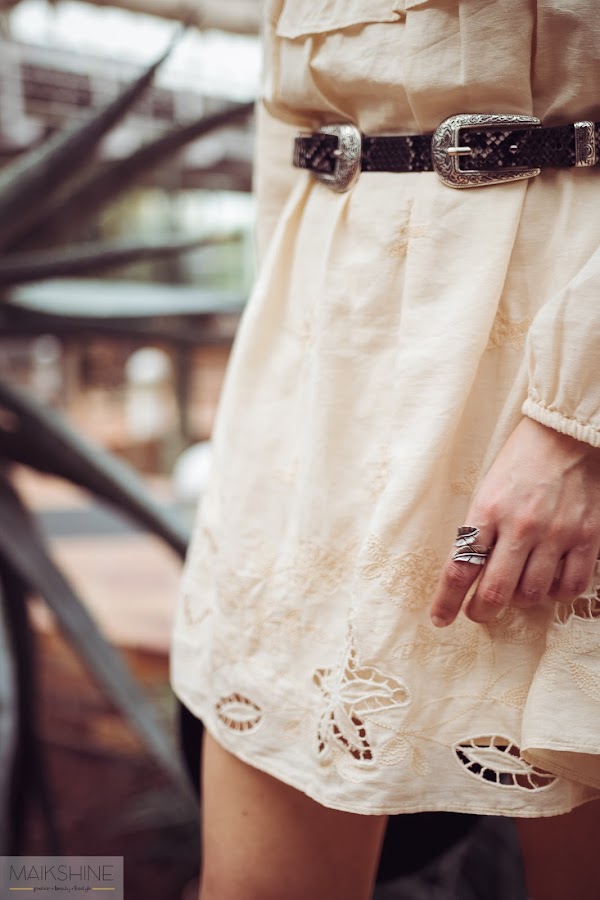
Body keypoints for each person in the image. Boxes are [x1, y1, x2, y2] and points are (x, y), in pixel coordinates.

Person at [170, 2, 600, 898]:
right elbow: (286, 130)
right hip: (328, 374)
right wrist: (277, 379)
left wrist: (577, 425)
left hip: (555, 347)